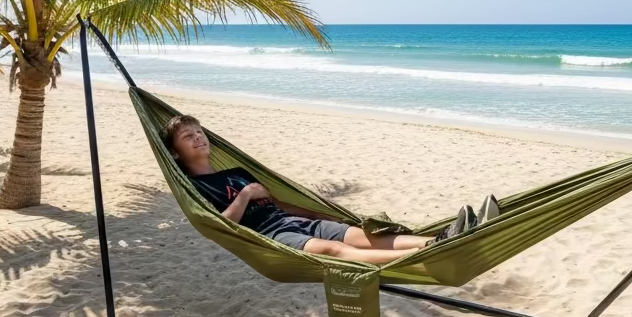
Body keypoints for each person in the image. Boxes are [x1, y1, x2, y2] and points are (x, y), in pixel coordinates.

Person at [161, 115, 499, 265]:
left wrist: (326, 215)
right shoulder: (194, 187)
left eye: (199, 131)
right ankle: (429, 255)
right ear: (176, 151)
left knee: (362, 236)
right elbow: (222, 225)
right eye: (188, 136)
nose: (198, 137)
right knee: (330, 252)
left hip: (291, 221)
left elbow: (280, 203)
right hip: (268, 235)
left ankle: (447, 239)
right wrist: (247, 195)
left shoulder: (235, 171)